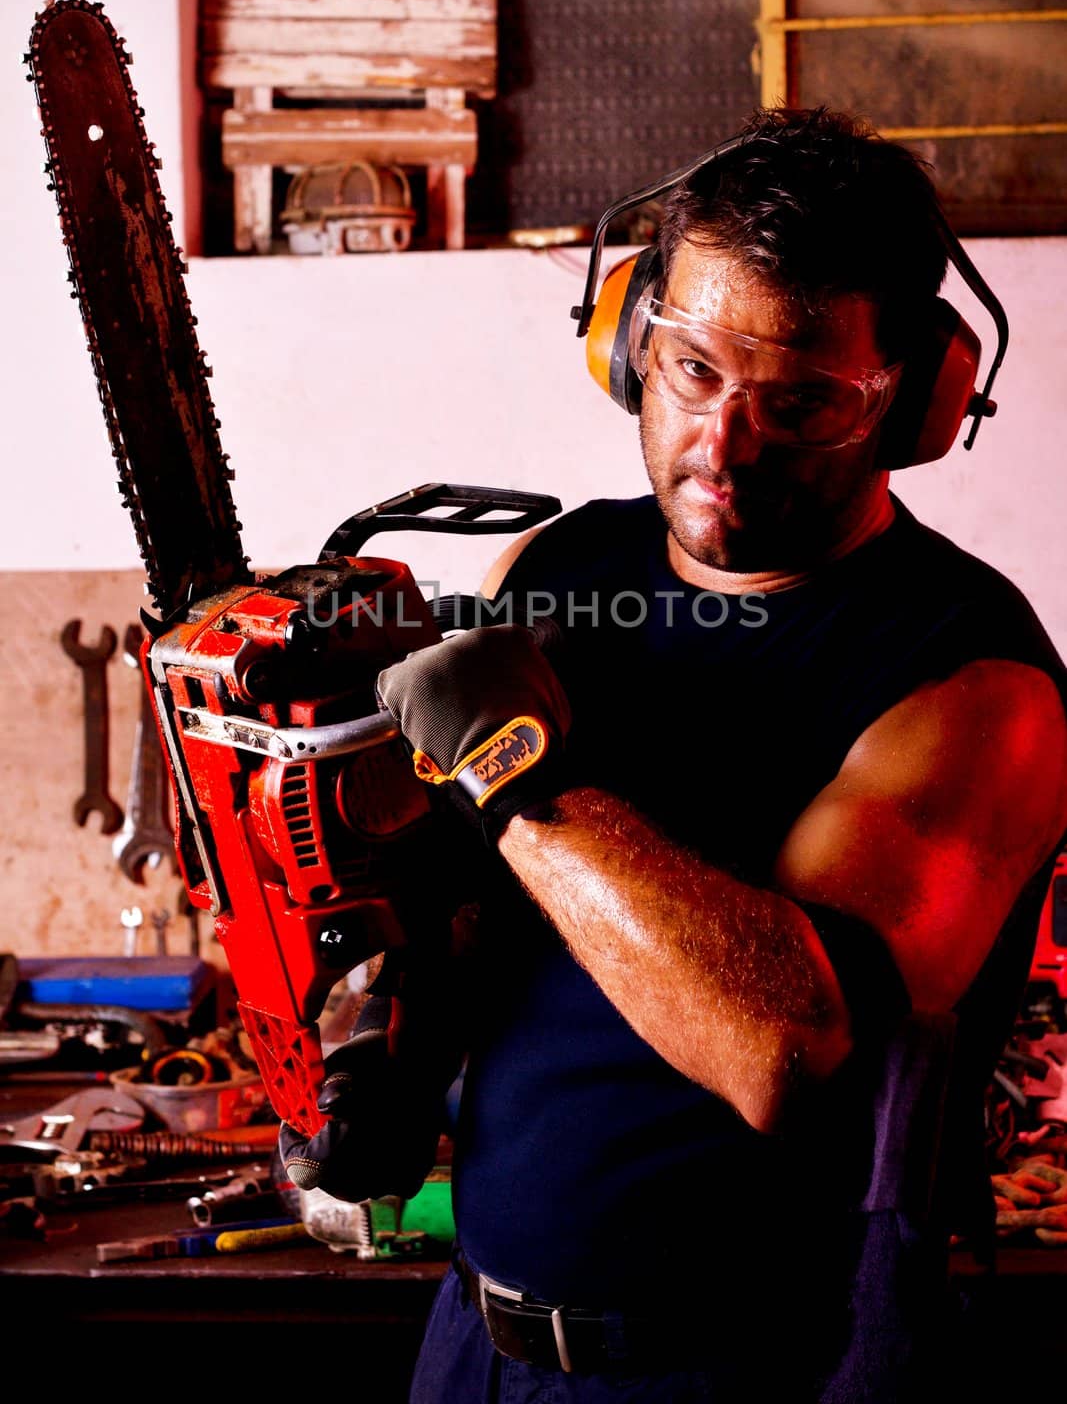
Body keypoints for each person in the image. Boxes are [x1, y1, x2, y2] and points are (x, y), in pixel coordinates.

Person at [282, 108, 1067, 1401]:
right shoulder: (559, 565)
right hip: (478, 1345)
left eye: (802, 401)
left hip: (749, 1372)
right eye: (693, 367)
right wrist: (387, 1045)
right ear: (623, 341)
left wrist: (514, 775)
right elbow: (489, 919)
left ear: (918, 401)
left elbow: (785, 1048)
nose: (723, 444)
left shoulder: (972, 684)